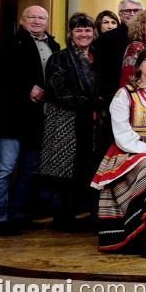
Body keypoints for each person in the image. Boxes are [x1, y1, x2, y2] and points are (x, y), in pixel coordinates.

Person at [91, 46, 146, 257]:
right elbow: (122, 135)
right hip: (129, 150)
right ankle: (143, 236)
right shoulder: (124, 94)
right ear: (139, 64)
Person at [0, 5, 61, 236]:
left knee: (30, 170)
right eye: (32, 17)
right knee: (4, 169)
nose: (37, 21)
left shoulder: (55, 47)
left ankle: (19, 214)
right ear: (22, 20)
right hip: (11, 118)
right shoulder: (6, 44)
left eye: (42, 18)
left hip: (40, 121)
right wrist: (26, 89)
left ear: (48, 22)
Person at [39, 12, 99, 232]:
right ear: (70, 33)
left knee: (87, 165)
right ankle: (63, 217)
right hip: (66, 121)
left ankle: (83, 212)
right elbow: (55, 91)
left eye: (87, 30)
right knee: (66, 169)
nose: (83, 34)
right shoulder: (60, 57)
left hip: (90, 119)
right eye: (78, 30)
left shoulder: (95, 56)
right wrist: (89, 101)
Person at [93, 0, 143, 107]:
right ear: (120, 14)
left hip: (144, 94)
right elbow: (101, 69)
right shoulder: (108, 38)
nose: (132, 14)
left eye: (136, 11)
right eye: (127, 11)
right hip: (116, 95)